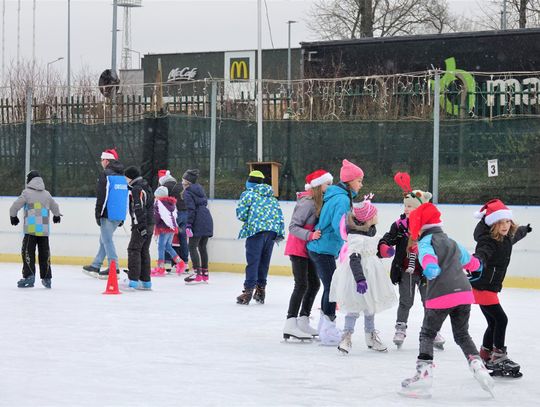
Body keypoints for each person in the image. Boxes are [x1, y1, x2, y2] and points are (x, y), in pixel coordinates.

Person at [399, 203, 494, 399]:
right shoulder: (452, 242)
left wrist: (430, 267)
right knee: (462, 334)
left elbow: (428, 258)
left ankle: (424, 375)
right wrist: (478, 264)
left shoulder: (426, 242)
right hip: (464, 294)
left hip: (441, 295)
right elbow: (473, 263)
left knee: (427, 334)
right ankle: (478, 366)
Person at [378, 172, 445, 349]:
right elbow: (387, 238)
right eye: (406, 206)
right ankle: (400, 328)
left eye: (411, 206)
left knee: (429, 301)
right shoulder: (399, 225)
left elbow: (440, 245)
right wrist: (384, 247)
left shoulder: (429, 228)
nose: (407, 209)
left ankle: (433, 330)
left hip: (425, 272)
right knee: (406, 301)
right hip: (405, 270)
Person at [470, 199, 532, 378]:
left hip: (488, 287)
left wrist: (524, 230)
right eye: (500, 223)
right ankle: (498, 356)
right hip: (483, 287)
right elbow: (482, 253)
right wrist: (478, 260)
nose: (504, 226)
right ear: (491, 225)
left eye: (507, 221)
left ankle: (485, 353)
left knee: (493, 322)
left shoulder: (506, 238)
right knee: (501, 320)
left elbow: (516, 235)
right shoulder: (488, 242)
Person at [306, 159, 364, 345]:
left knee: (331, 288)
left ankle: (325, 327)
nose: (361, 184)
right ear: (349, 181)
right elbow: (339, 224)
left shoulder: (338, 195)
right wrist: (354, 233)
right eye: (359, 180)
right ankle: (329, 330)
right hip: (323, 249)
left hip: (324, 248)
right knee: (333, 288)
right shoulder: (342, 198)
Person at [330, 195, 397, 353]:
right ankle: (346, 337)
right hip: (357, 276)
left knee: (370, 306)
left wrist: (384, 251)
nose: (377, 216)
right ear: (368, 219)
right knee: (354, 306)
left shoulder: (372, 232)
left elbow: (375, 249)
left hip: (373, 274)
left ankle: (370, 337)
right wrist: (360, 279)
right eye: (375, 214)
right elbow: (354, 259)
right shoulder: (356, 237)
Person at [283, 169, 332, 340]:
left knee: (314, 284)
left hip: (310, 248)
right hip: (298, 248)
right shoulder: (307, 202)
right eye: (328, 183)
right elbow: (293, 227)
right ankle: (290, 323)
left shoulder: (319, 202)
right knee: (301, 284)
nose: (330, 186)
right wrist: (310, 235)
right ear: (318, 186)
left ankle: (303, 320)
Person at [235, 170, 285, 305]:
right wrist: (280, 233)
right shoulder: (271, 196)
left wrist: (253, 218)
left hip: (256, 231)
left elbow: (241, 215)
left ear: (249, 181)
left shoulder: (248, 194)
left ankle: (248, 291)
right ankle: (261, 291)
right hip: (272, 232)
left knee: (253, 261)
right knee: (264, 261)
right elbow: (279, 215)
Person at [9, 170, 61, 288]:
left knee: (28, 252)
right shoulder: (47, 194)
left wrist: (13, 216)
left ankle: (29, 276)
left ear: (29, 180)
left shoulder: (26, 193)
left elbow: (15, 206)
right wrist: (56, 215)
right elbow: (55, 206)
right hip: (44, 230)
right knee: (44, 254)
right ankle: (47, 278)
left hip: (30, 230)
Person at [82, 149, 128, 279]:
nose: (101, 162)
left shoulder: (106, 175)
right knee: (103, 239)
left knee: (107, 240)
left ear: (107, 161)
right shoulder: (122, 176)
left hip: (108, 213)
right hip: (118, 213)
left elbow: (102, 196)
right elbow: (124, 196)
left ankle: (114, 267)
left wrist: (98, 213)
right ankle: (96, 265)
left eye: (102, 160)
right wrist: (122, 215)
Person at [181, 169, 214, 284]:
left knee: (192, 246)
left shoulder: (188, 192)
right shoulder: (200, 189)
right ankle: (204, 273)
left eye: (183, 180)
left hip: (198, 220)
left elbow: (191, 210)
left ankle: (197, 273)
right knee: (202, 247)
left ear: (187, 182)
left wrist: (189, 225)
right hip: (207, 218)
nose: (182, 182)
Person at [123, 166, 154, 290]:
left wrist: (140, 226)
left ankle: (133, 280)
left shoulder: (137, 189)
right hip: (151, 223)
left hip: (142, 223)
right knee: (144, 251)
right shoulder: (146, 185)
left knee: (134, 249)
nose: (125, 180)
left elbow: (138, 208)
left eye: (126, 177)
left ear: (130, 177)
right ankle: (146, 281)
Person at [158, 169, 190, 274]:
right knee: (183, 238)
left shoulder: (163, 188)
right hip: (184, 213)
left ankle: (167, 263)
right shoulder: (179, 185)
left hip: (173, 215)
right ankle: (185, 262)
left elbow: (162, 204)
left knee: (167, 241)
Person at [151, 186, 185, 277]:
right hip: (172, 227)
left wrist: (153, 222)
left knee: (161, 246)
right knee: (167, 246)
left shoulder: (159, 203)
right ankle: (180, 263)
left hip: (164, 227)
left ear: (159, 196)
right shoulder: (171, 203)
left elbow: (157, 216)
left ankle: (160, 268)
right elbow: (174, 215)